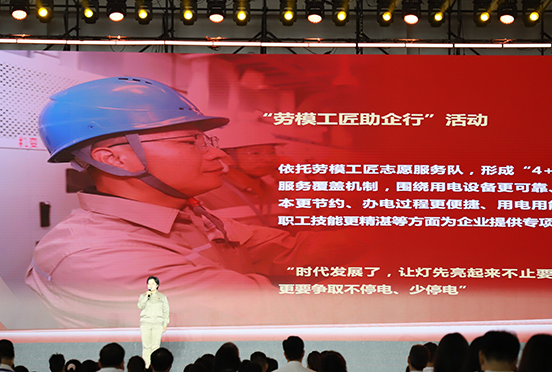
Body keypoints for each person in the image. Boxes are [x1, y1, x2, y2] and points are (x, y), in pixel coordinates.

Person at [25, 76, 368, 328]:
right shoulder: (98, 256)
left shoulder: (188, 214)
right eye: (191, 142)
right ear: (115, 159)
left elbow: (284, 250)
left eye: (208, 141)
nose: (220, 155)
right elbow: (278, 312)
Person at [198, 120, 284, 226]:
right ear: (226, 157)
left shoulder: (277, 192)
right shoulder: (207, 196)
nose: (268, 159)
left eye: (272, 152)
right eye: (255, 153)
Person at [138, 276, 170, 365]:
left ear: (157, 285)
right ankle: (146, 366)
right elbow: (140, 306)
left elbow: (166, 311)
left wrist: (165, 324)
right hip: (146, 323)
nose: (150, 285)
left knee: (155, 347)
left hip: (157, 324)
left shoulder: (162, 297)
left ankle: (154, 366)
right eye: (149, 283)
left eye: (153, 283)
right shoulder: (143, 296)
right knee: (146, 346)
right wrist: (146, 296)